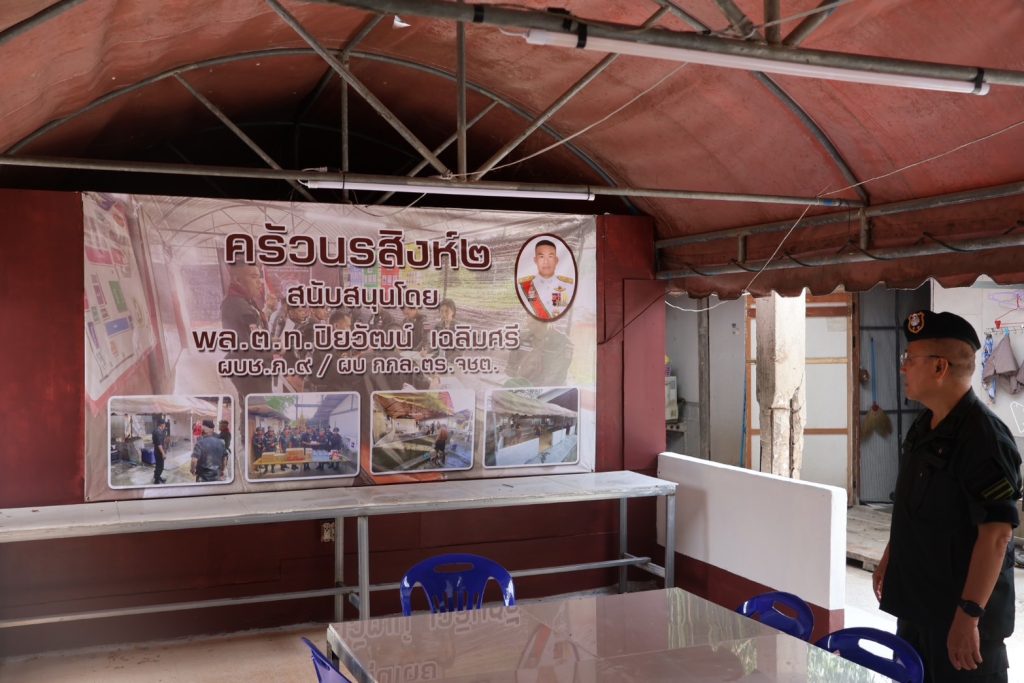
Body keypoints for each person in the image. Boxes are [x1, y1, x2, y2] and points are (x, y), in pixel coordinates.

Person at [874, 310, 1021, 683]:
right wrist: (892, 555)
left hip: (960, 622)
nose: (903, 367)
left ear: (940, 367)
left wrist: (968, 615)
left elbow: (997, 535)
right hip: (918, 609)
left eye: (909, 359)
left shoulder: (984, 438)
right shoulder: (925, 424)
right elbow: (914, 504)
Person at [220, 263, 273, 398]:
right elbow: (249, 349)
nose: (259, 282)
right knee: (258, 407)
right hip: (253, 375)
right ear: (238, 280)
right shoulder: (237, 305)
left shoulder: (244, 301)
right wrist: (275, 348)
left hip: (254, 372)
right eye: (254, 277)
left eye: (259, 277)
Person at [516, 239, 575, 320]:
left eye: (550, 256)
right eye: (541, 257)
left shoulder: (568, 286)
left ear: (556, 260)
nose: (546, 261)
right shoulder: (523, 287)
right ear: (535, 260)